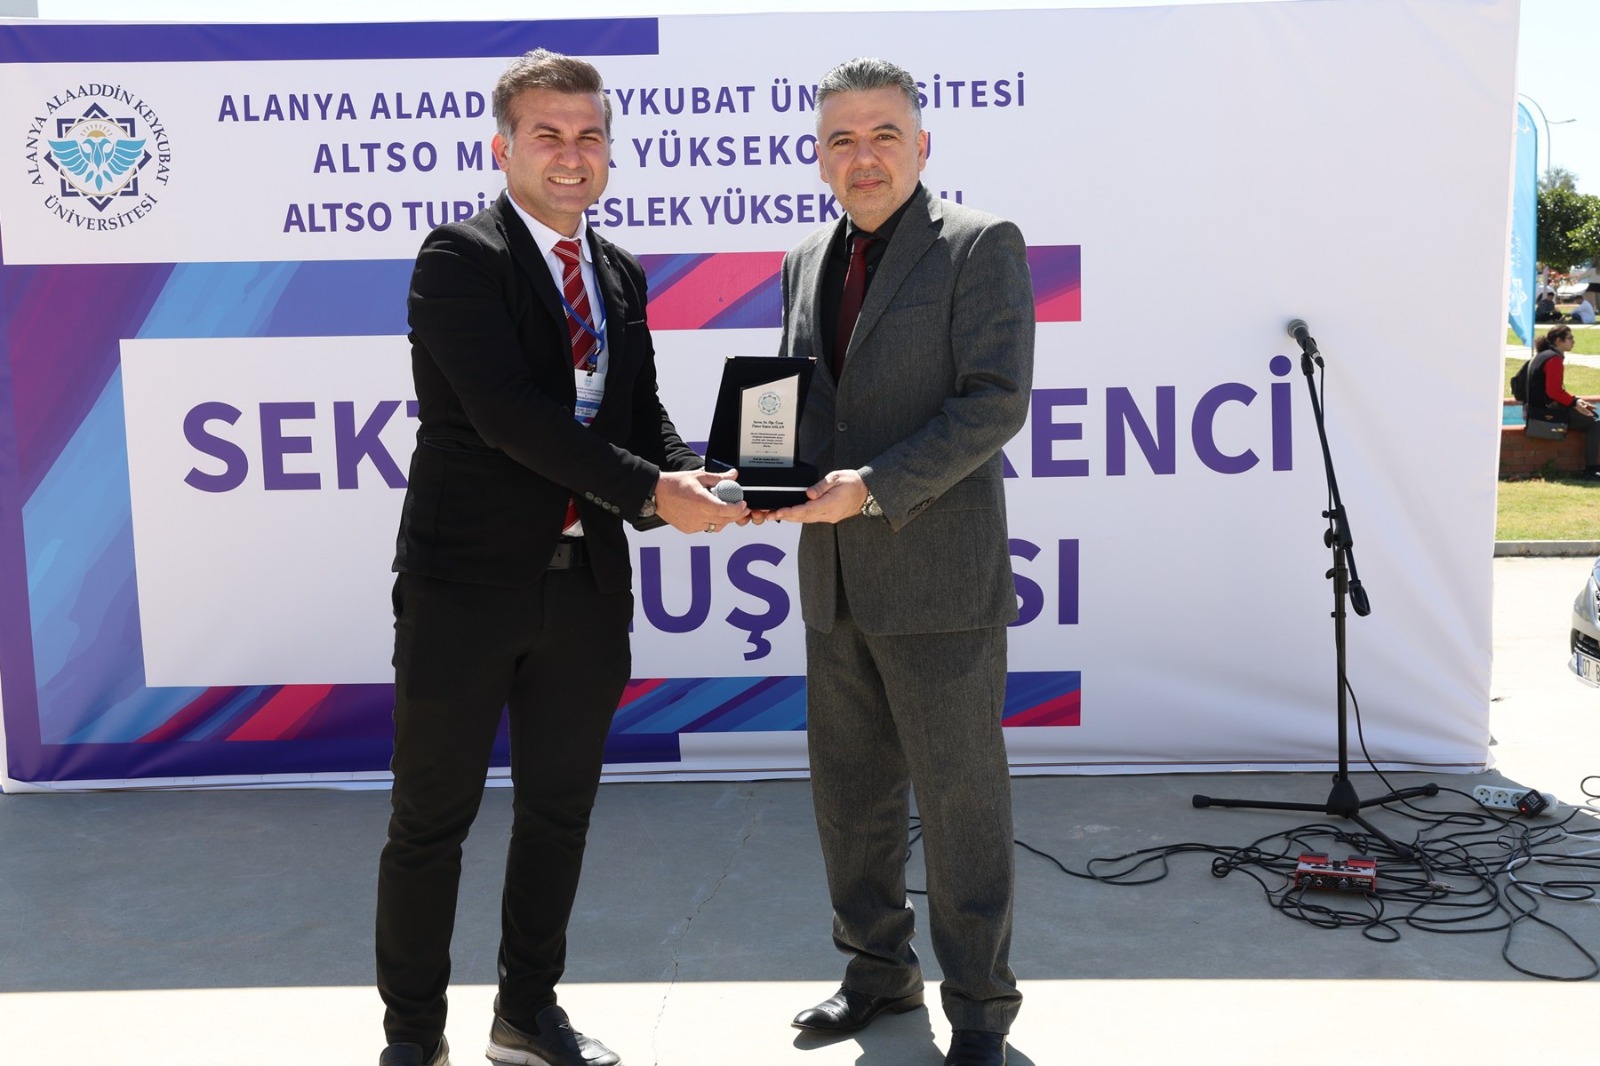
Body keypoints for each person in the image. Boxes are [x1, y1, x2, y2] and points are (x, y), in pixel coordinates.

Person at [375, 49, 746, 1066]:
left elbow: (637, 410)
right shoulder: (459, 258)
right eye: (548, 134)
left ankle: (525, 1015)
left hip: (585, 591)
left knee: (558, 814)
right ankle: (413, 1036)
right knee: (430, 821)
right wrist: (651, 491)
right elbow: (508, 415)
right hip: (464, 586)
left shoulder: (617, 271)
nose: (571, 154)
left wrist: (697, 477)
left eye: (589, 135)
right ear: (504, 149)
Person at [763, 56, 1033, 1066]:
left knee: (962, 806)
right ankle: (876, 971)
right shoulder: (804, 258)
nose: (863, 156)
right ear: (819, 156)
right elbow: (798, 400)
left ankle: (980, 1009)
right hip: (833, 580)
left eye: (883, 135)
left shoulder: (978, 245)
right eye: (842, 138)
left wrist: (872, 486)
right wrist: (754, 470)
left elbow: (994, 402)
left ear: (922, 145)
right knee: (851, 800)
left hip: (939, 582)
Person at [1526, 325, 1600, 480]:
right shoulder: (1554, 359)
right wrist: (1574, 404)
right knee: (1595, 422)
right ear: (1559, 341)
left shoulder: (1543, 355)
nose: (1573, 341)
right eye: (1570, 338)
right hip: (1544, 414)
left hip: (1536, 409)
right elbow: (1553, 392)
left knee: (1592, 415)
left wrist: (1577, 401)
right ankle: (1591, 469)